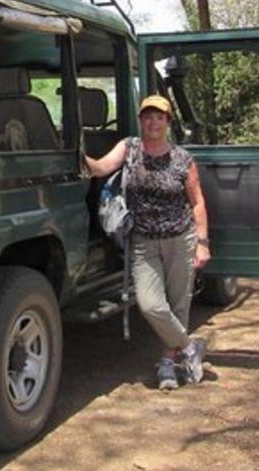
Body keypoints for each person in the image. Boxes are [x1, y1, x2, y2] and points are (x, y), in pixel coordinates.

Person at [85, 94, 211, 390]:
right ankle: (190, 347)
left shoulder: (182, 159)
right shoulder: (129, 149)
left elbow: (197, 203)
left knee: (178, 305)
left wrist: (202, 242)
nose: (153, 122)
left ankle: (167, 364)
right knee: (150, 304)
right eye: (147, 116)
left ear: (167, 122)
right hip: (143, 241)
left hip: (180, 239)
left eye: (159, 117)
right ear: (140, 120)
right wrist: (78, 155)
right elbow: (101, 168)